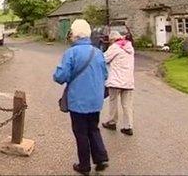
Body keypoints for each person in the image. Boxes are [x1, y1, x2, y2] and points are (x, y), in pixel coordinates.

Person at [53, 19, 109, 175]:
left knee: (81, 132)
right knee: (93, 128)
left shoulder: (71, 53)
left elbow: (61, 76)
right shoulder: (98, 52)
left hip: (78, 100)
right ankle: (100, 157)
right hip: (95, 100)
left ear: (75, 35)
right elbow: (105, 74)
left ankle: (84, 166)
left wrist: (57, 74)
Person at [102, 30, 135, 136]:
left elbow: (104, 59)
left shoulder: (115, 47)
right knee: (127, 104)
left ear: (112, 39)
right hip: (128, 81)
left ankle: (112, 122)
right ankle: (128, 126)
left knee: (113, 102)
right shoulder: (129, 47)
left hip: (115, 81)